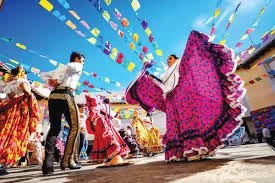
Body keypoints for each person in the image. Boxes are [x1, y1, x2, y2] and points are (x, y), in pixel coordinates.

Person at [126, 30, 247, 162]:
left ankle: (200, 149)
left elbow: (171, 83)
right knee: (178, 125)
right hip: (174, 100)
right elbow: (165, 88)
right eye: (167, 60)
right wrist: (149, 78)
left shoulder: (181, 66)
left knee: (191, 122)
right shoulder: (167, 73)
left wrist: (152, 78)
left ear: (177, 59)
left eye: (171, 59)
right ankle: (183, 152)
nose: (168, 61)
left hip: (184, 98)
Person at [40, 52, 85, 175]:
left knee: (54, 128)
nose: (83, 63)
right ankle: (67, 160)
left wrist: (54, 80)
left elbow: (43, 75)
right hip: (66, 95)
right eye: (82, 60)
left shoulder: (59, 68)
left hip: (53, 96)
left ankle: (48, 166)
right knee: (76, 127)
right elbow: (70, 67)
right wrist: (58, 80)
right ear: (77, 59)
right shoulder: (76, 66)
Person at [0, 66, 39, 174]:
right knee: (11, 137)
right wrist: (26, 96)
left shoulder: (4, 84)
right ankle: (2, 164)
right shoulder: (22, 81)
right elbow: (27, 91)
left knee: (2, 135)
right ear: (23, 73)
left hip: (3, 112)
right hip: (14, 114)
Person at [85, 96, 130, 164]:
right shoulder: (107, 107)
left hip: (102, 123)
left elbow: (93, 115)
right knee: (107, 138)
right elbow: (111, 115)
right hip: (105, 122)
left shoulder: (99, 106)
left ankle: (110, 154)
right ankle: (111, 155)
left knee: (104, 139)